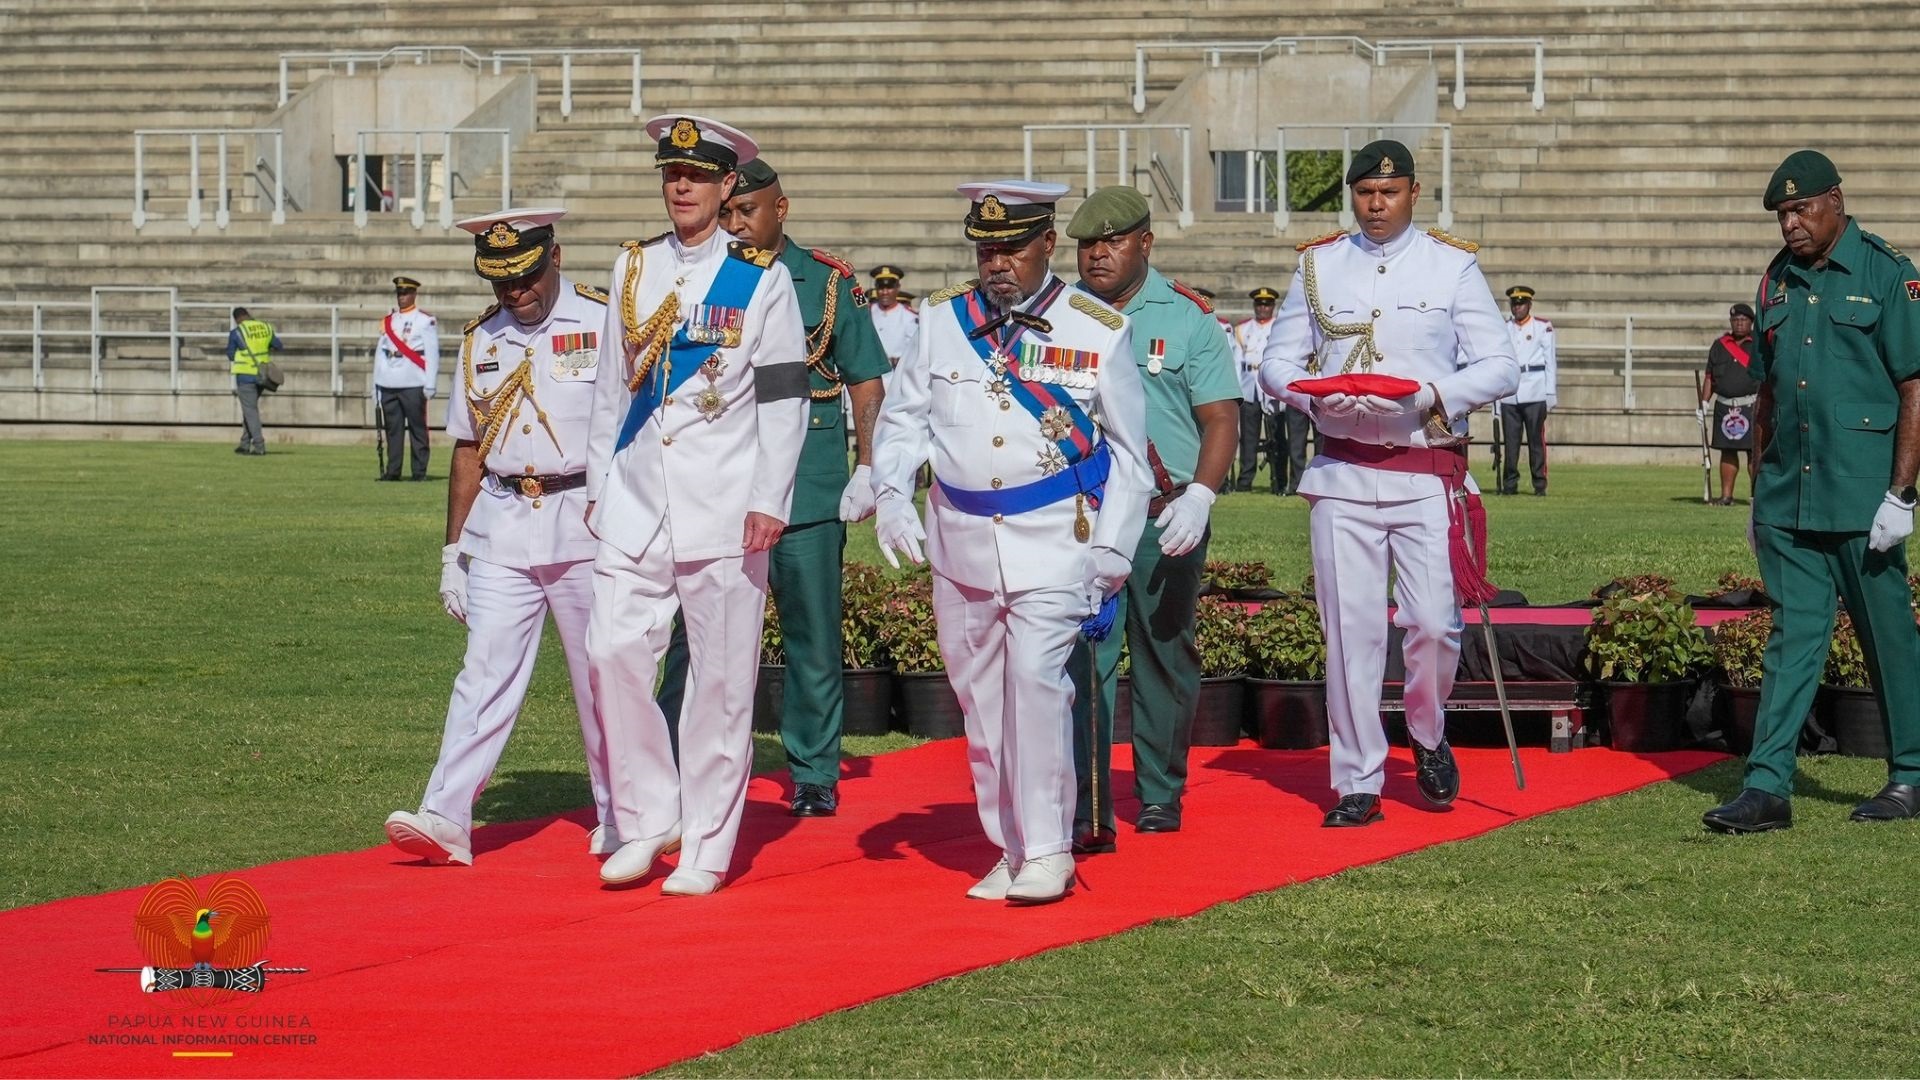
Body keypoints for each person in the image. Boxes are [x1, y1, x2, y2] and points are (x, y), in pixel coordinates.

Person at [871, 179, 1150, 903]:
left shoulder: (1097, 329)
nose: (996, 263)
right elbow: (904, 422)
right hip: (960, 540)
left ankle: (1051, 847)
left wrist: (1115, 548)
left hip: (1057, 540)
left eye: (1012, 249)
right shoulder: (940, 322)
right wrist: (890, 491)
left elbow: (1128, 456)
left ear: (1048, 244)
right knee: (982, 702)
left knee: (1035, 686)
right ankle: (1012, 844)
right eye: (986, 248)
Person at [1258, 140, 1518, 827]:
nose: (1376, 205)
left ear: (1413, 191)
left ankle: (1428, 734)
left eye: (1390, 193)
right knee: (1351, 631)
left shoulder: (1451, 265)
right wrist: (1311, 399)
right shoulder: (1318, 265)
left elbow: (1500, 365)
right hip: (1342, 469)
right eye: (1365, 194)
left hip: (1421, 469)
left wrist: (1432, 394)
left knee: (1434, 624)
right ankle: (1357, 778)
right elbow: (1276, 362)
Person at [584, 114, 809, 894]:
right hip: (637, 498)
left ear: (725, 187)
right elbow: (610, 386)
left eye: (697, 176)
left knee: (719, 683)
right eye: (671, 174)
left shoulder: (762, 279)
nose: (681, 186)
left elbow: (786, 397)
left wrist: (769, 496)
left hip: (724, 506)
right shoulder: (632, 269)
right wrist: (597, 483)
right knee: (610, 651)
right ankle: (652, 816)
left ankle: (709, 843)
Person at [654, 157, 891, 817]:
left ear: (779, 210)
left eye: (747, 211)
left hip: (808, 487)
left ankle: (814, 774)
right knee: (690, 638)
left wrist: (868, 466)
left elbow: (865, 376)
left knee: (812, 635)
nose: (735, 223)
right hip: (719, 483)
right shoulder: (711, 277)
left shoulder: (825, 280)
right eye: (728, 211)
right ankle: (669, 765)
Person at [383, 208, 617, 866]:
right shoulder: (483, 337)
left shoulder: (604, 321)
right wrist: (452, 552)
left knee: (601, 677)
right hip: (502, 521)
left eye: (526, 277)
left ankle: (622, 812)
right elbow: (467, 447)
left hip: (586, 522)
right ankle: (447, 815)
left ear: (556, 258)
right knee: (482, 672)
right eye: (500, 283)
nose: (516, 293)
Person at [1703, 150, 1920, 833]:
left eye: (1800, 209)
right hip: (1790, 498)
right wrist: (1761, 486)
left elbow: (1915, 385)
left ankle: (1911, 773)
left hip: (1862, 498)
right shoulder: (1776, 281)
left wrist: (1901, 495)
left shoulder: (1888, 275)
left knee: (1889, 640)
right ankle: (1767, 785)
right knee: (1793, 636)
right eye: (1781, 214)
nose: (1790, 224)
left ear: (1836, 200)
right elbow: (1767, 391)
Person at [1064, 187, 1238, 850]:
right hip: (1083, 514)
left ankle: (1161, 792)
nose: (1098, 254)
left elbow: (1220, 416)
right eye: (1088, 244)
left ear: (1145, 244)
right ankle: (1090, 804)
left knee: (1166, 652)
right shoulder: (1059, 314)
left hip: (1164, 517)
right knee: (1086, 655)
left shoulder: (1187, 318)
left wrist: (1201, 495)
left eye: (1112, 242)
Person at [373, 276, 441, 481]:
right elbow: (380, 355)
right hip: (388, 382)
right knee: (393, 430)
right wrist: (376, 385)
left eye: (405, 293)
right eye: (399, 293)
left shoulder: (424, 320)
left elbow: (432, 353)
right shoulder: (389, 320)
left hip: (413, 381)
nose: (402, 297)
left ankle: (419, 472)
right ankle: (393, 472)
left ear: (414, 294)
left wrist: (430, 383)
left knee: (417, 429)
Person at [1497, 285, 1555, 496]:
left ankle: (1539, 484)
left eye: (1521, 303)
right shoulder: (1504, 328)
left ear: (1529, 305)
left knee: (1535, 442)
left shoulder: (1542, 327)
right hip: (1510, 393)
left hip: (1535, 390)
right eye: (1514, 303)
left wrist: (1550, 393)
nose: (1517, 307)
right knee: (1510, 444)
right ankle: (1509, 485)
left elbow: (1550, 362)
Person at [1700, 302, 1760, 505]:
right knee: (1727, 451)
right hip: (1725, 407)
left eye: (1743, 320)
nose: (1739, 324)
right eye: (1735, 320)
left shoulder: (1758, 345)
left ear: (1751, 322)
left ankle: (1757, 496)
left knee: (1754, 453)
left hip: (1751, 406)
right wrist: (1704, 402)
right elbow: (1709, 376)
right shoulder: (1719, 345)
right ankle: (1726, 495)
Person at [225, 307, 280, 455]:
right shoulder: (266, 327)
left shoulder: (237, 332)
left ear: (236, 319)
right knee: (249, 410)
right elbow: (278, 345)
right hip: (263, 376)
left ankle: (259, 445)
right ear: (248, 315)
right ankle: (244, 444)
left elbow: (230, 355)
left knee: (250, 411)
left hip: (245, 376)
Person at [867, 264, 919, 368]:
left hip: (896, 374)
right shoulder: (866, 312)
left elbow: (915, 349)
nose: (885, 292)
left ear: (898, 288)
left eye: (889, 287)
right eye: (881, 288)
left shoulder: (909, 316)